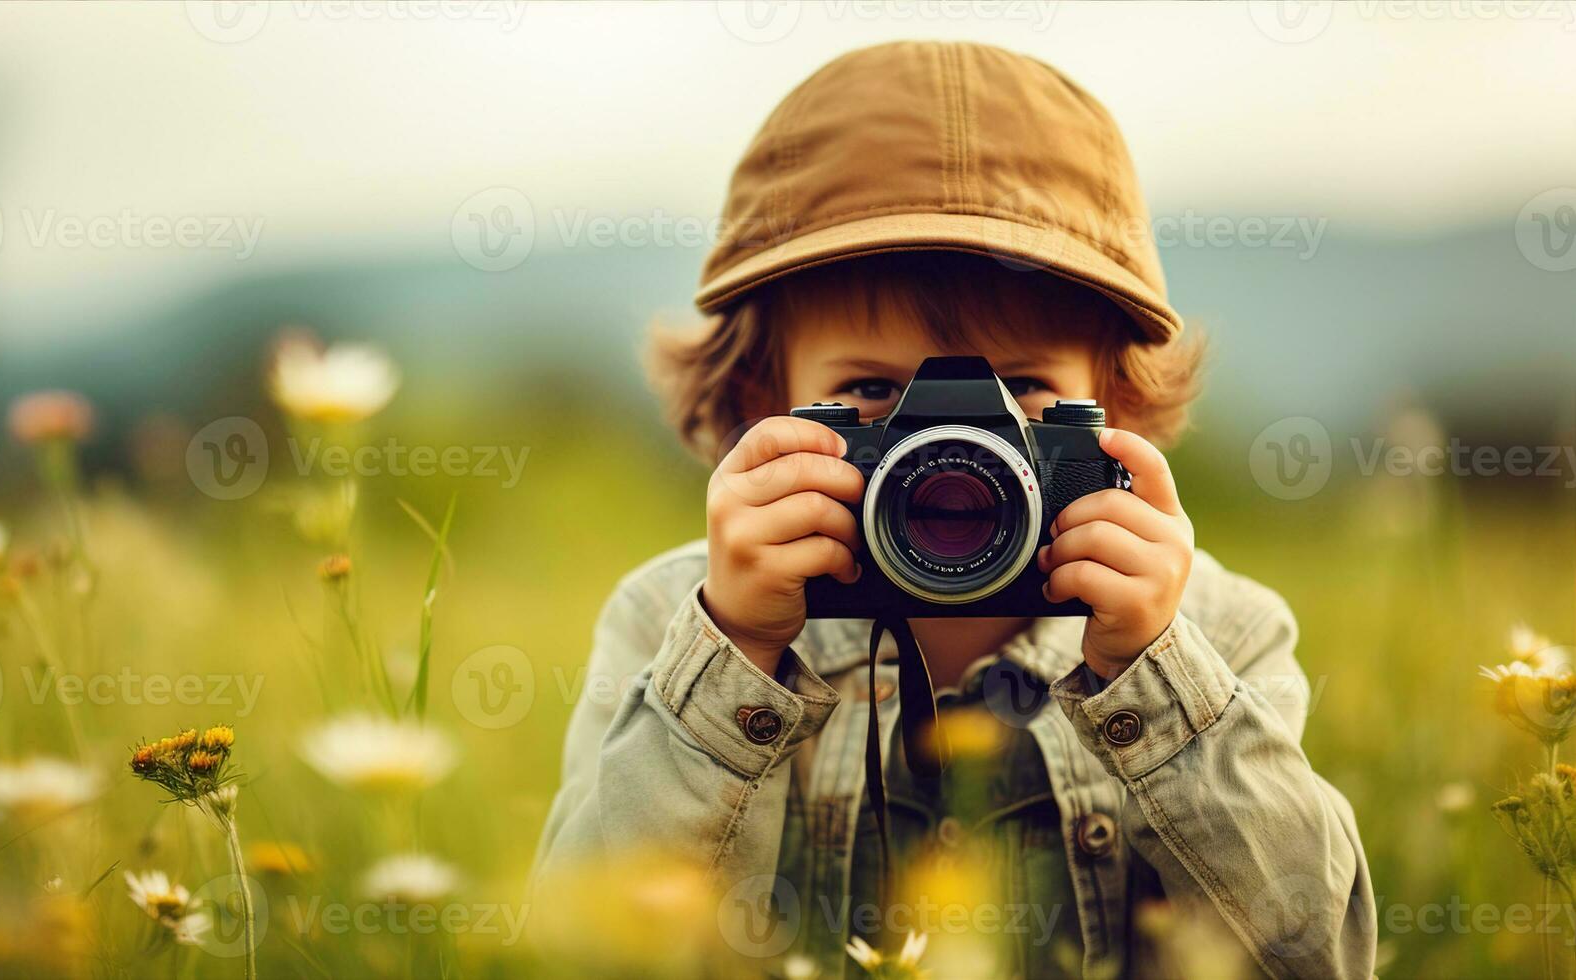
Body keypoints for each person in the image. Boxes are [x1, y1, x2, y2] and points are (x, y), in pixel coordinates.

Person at [535, 41, 1375, 979]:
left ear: (1113, 410)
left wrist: (1153, 673)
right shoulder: (674, 623)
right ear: (762, 403)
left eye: (1018, 387)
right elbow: (590, 949)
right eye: (867, 391)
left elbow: (1318, 961)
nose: (945, 451)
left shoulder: (1215, 633)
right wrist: (733, 656)